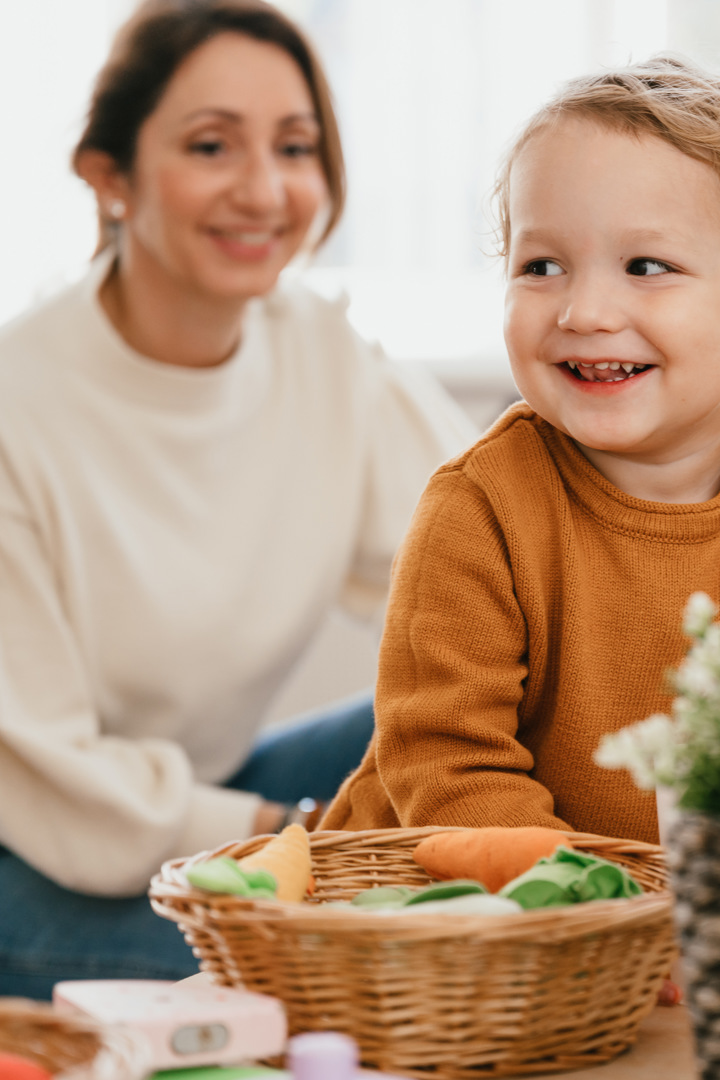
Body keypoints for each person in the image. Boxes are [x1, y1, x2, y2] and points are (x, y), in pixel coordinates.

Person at [0, 0, 473, 997]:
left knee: (461, 707)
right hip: (33, 847)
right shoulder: (18, 405)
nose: (263, 191)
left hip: (199, 802)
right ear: (110, 175)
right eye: (212, 145)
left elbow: (486, 546)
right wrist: (296, 835)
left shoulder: (322, 350)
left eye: (295, 147)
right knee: (347, 970)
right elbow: (50, 777)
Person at [322, 56, 720, 845]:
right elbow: (449, 766)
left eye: (647, 267)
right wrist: (599, 911)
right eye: (541, 267)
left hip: (678, 930)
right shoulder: (480, 510)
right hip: (454, 920)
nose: (584, 310)